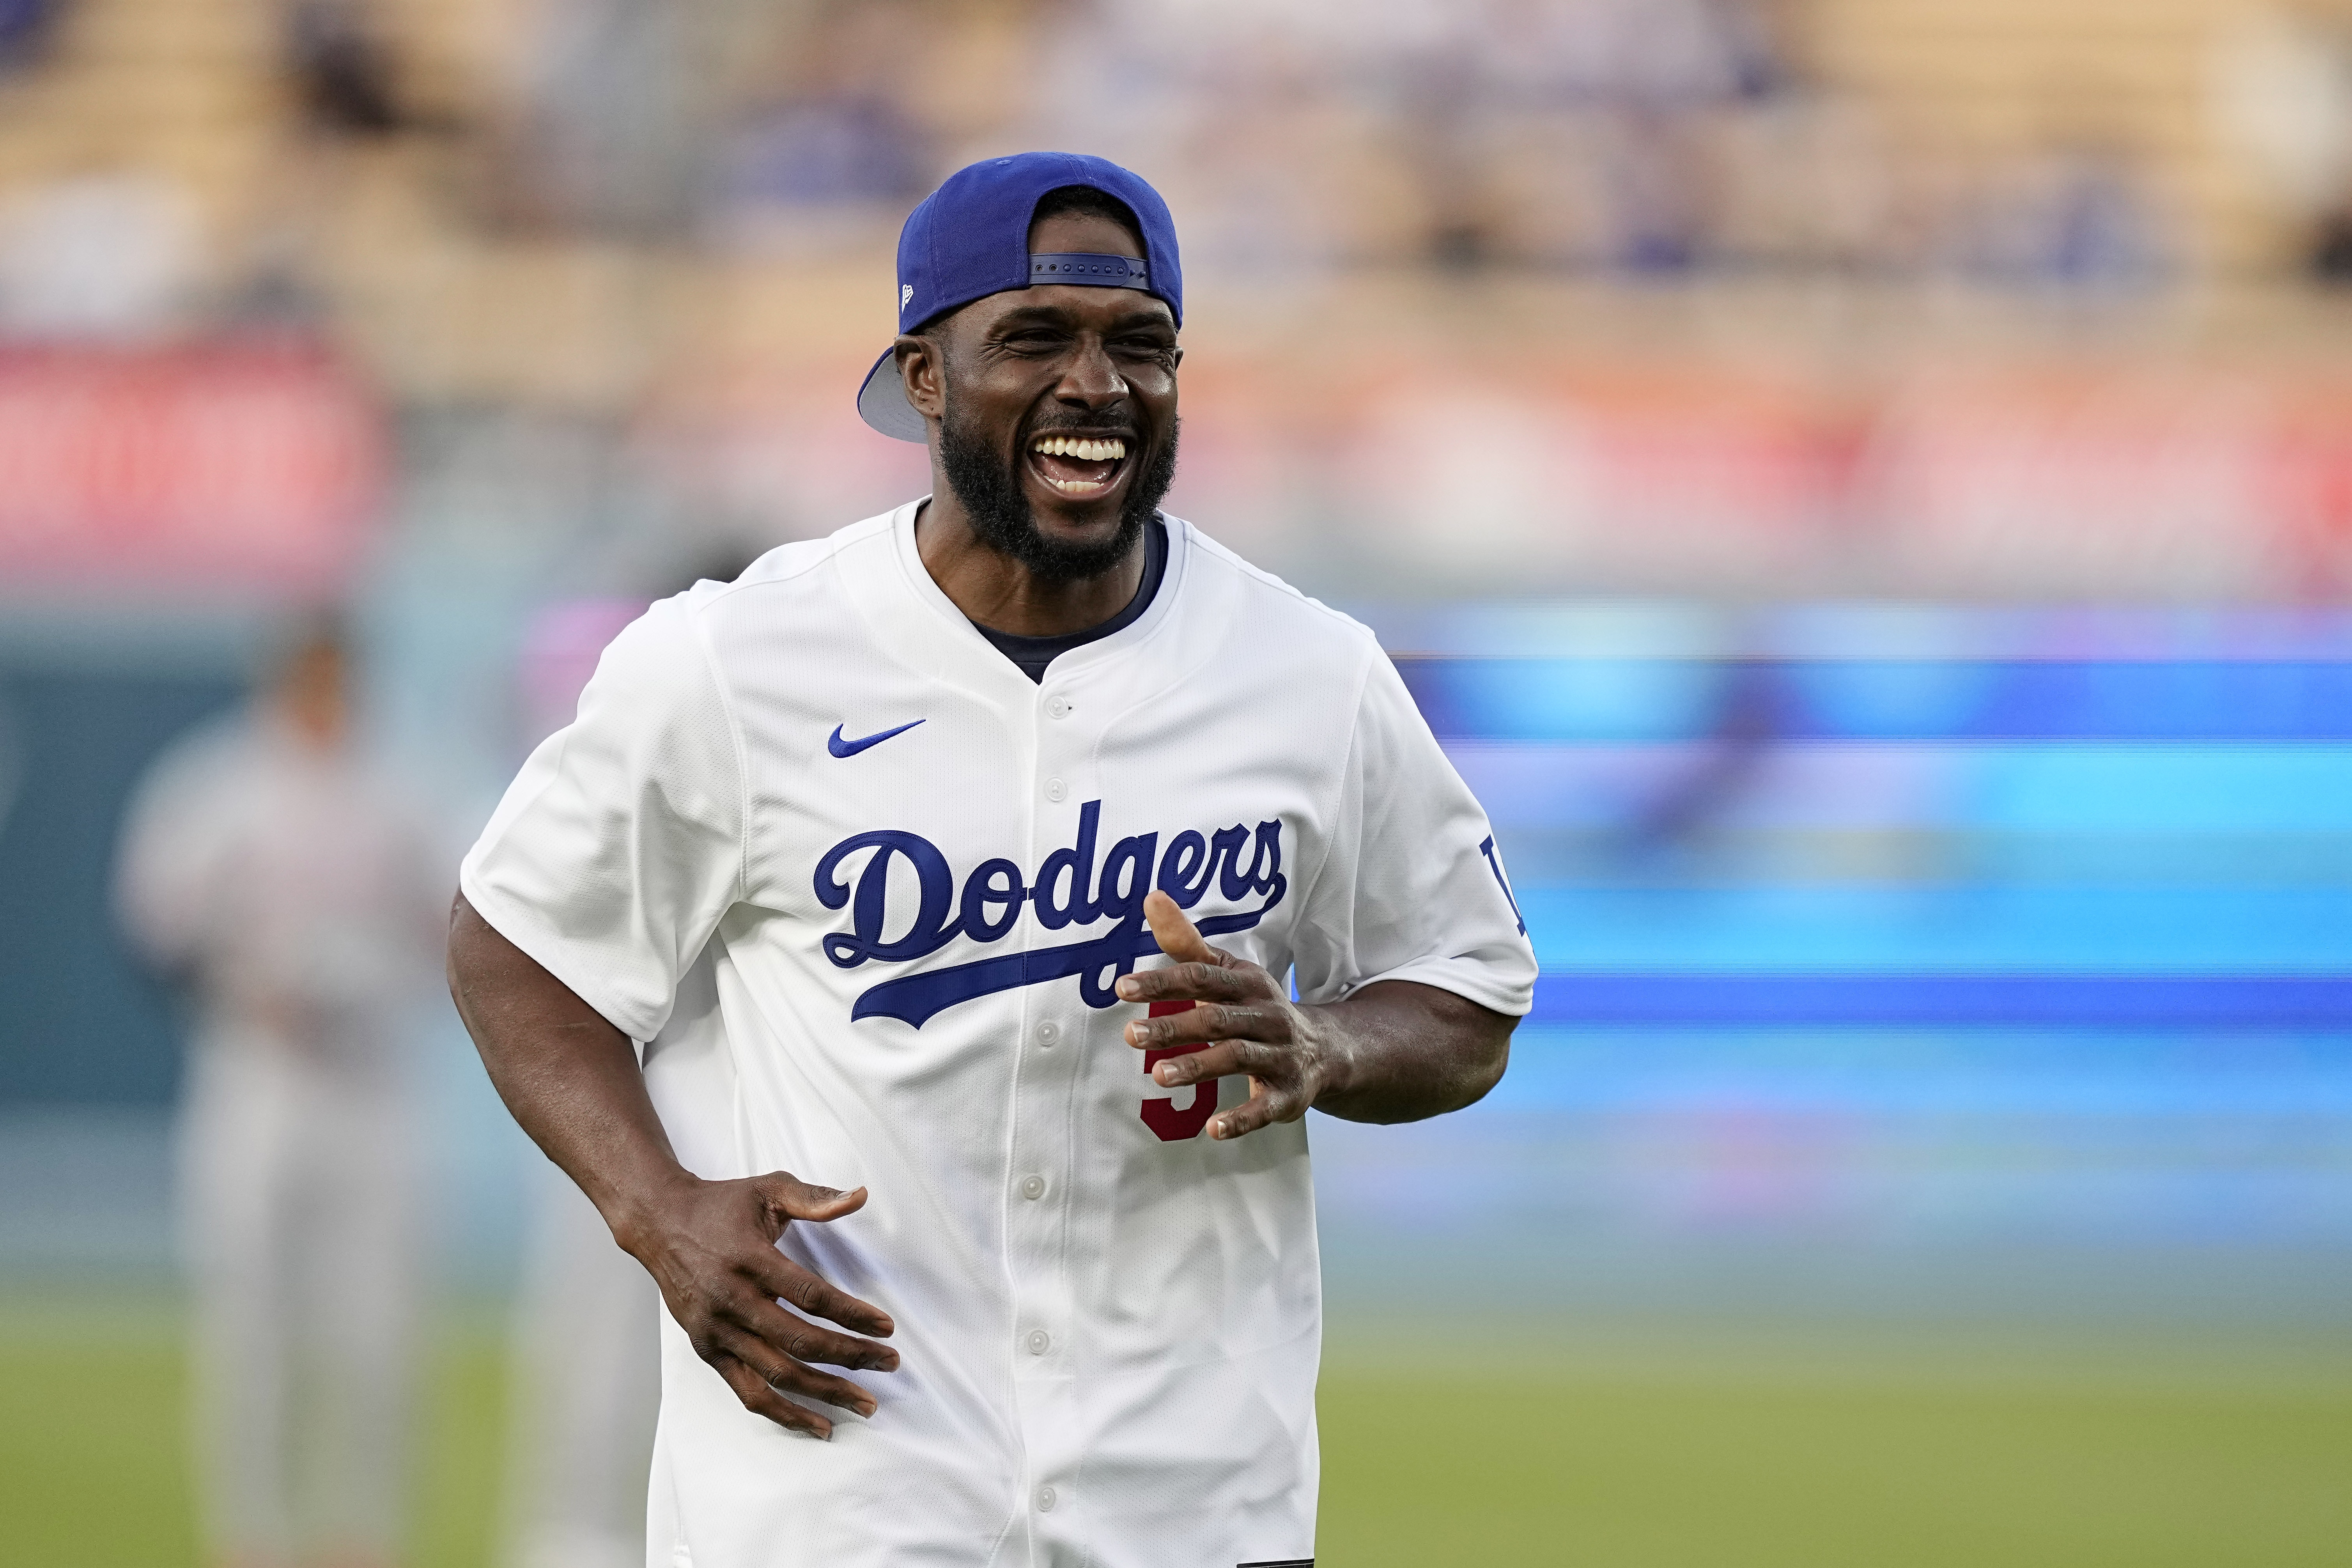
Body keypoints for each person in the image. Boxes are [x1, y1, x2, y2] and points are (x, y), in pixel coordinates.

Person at [446, 151, 1537, 1568]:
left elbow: (1467, 991)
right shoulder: (734, 660)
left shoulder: (1308, 673)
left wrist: (1321, 1046)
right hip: (838, 1493)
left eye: (1139, 347)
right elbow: (513, 942)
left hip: (1191, 1496)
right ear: (923, 377)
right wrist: (653, 1211)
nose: (1096, 385)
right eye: (1034, 338)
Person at [117, 617, 445, 1568]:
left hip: (375, 1079)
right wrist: (239, 985)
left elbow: (459, 930)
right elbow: (154, 934)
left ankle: (362, 1535)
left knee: (378, 1333)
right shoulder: (217, 784)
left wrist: (386, 976)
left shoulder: (401, 786)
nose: (326, 691)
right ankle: (251, 1535)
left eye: (338, 672)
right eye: (310, 672)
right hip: (255, 1077)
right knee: (250, 1326)